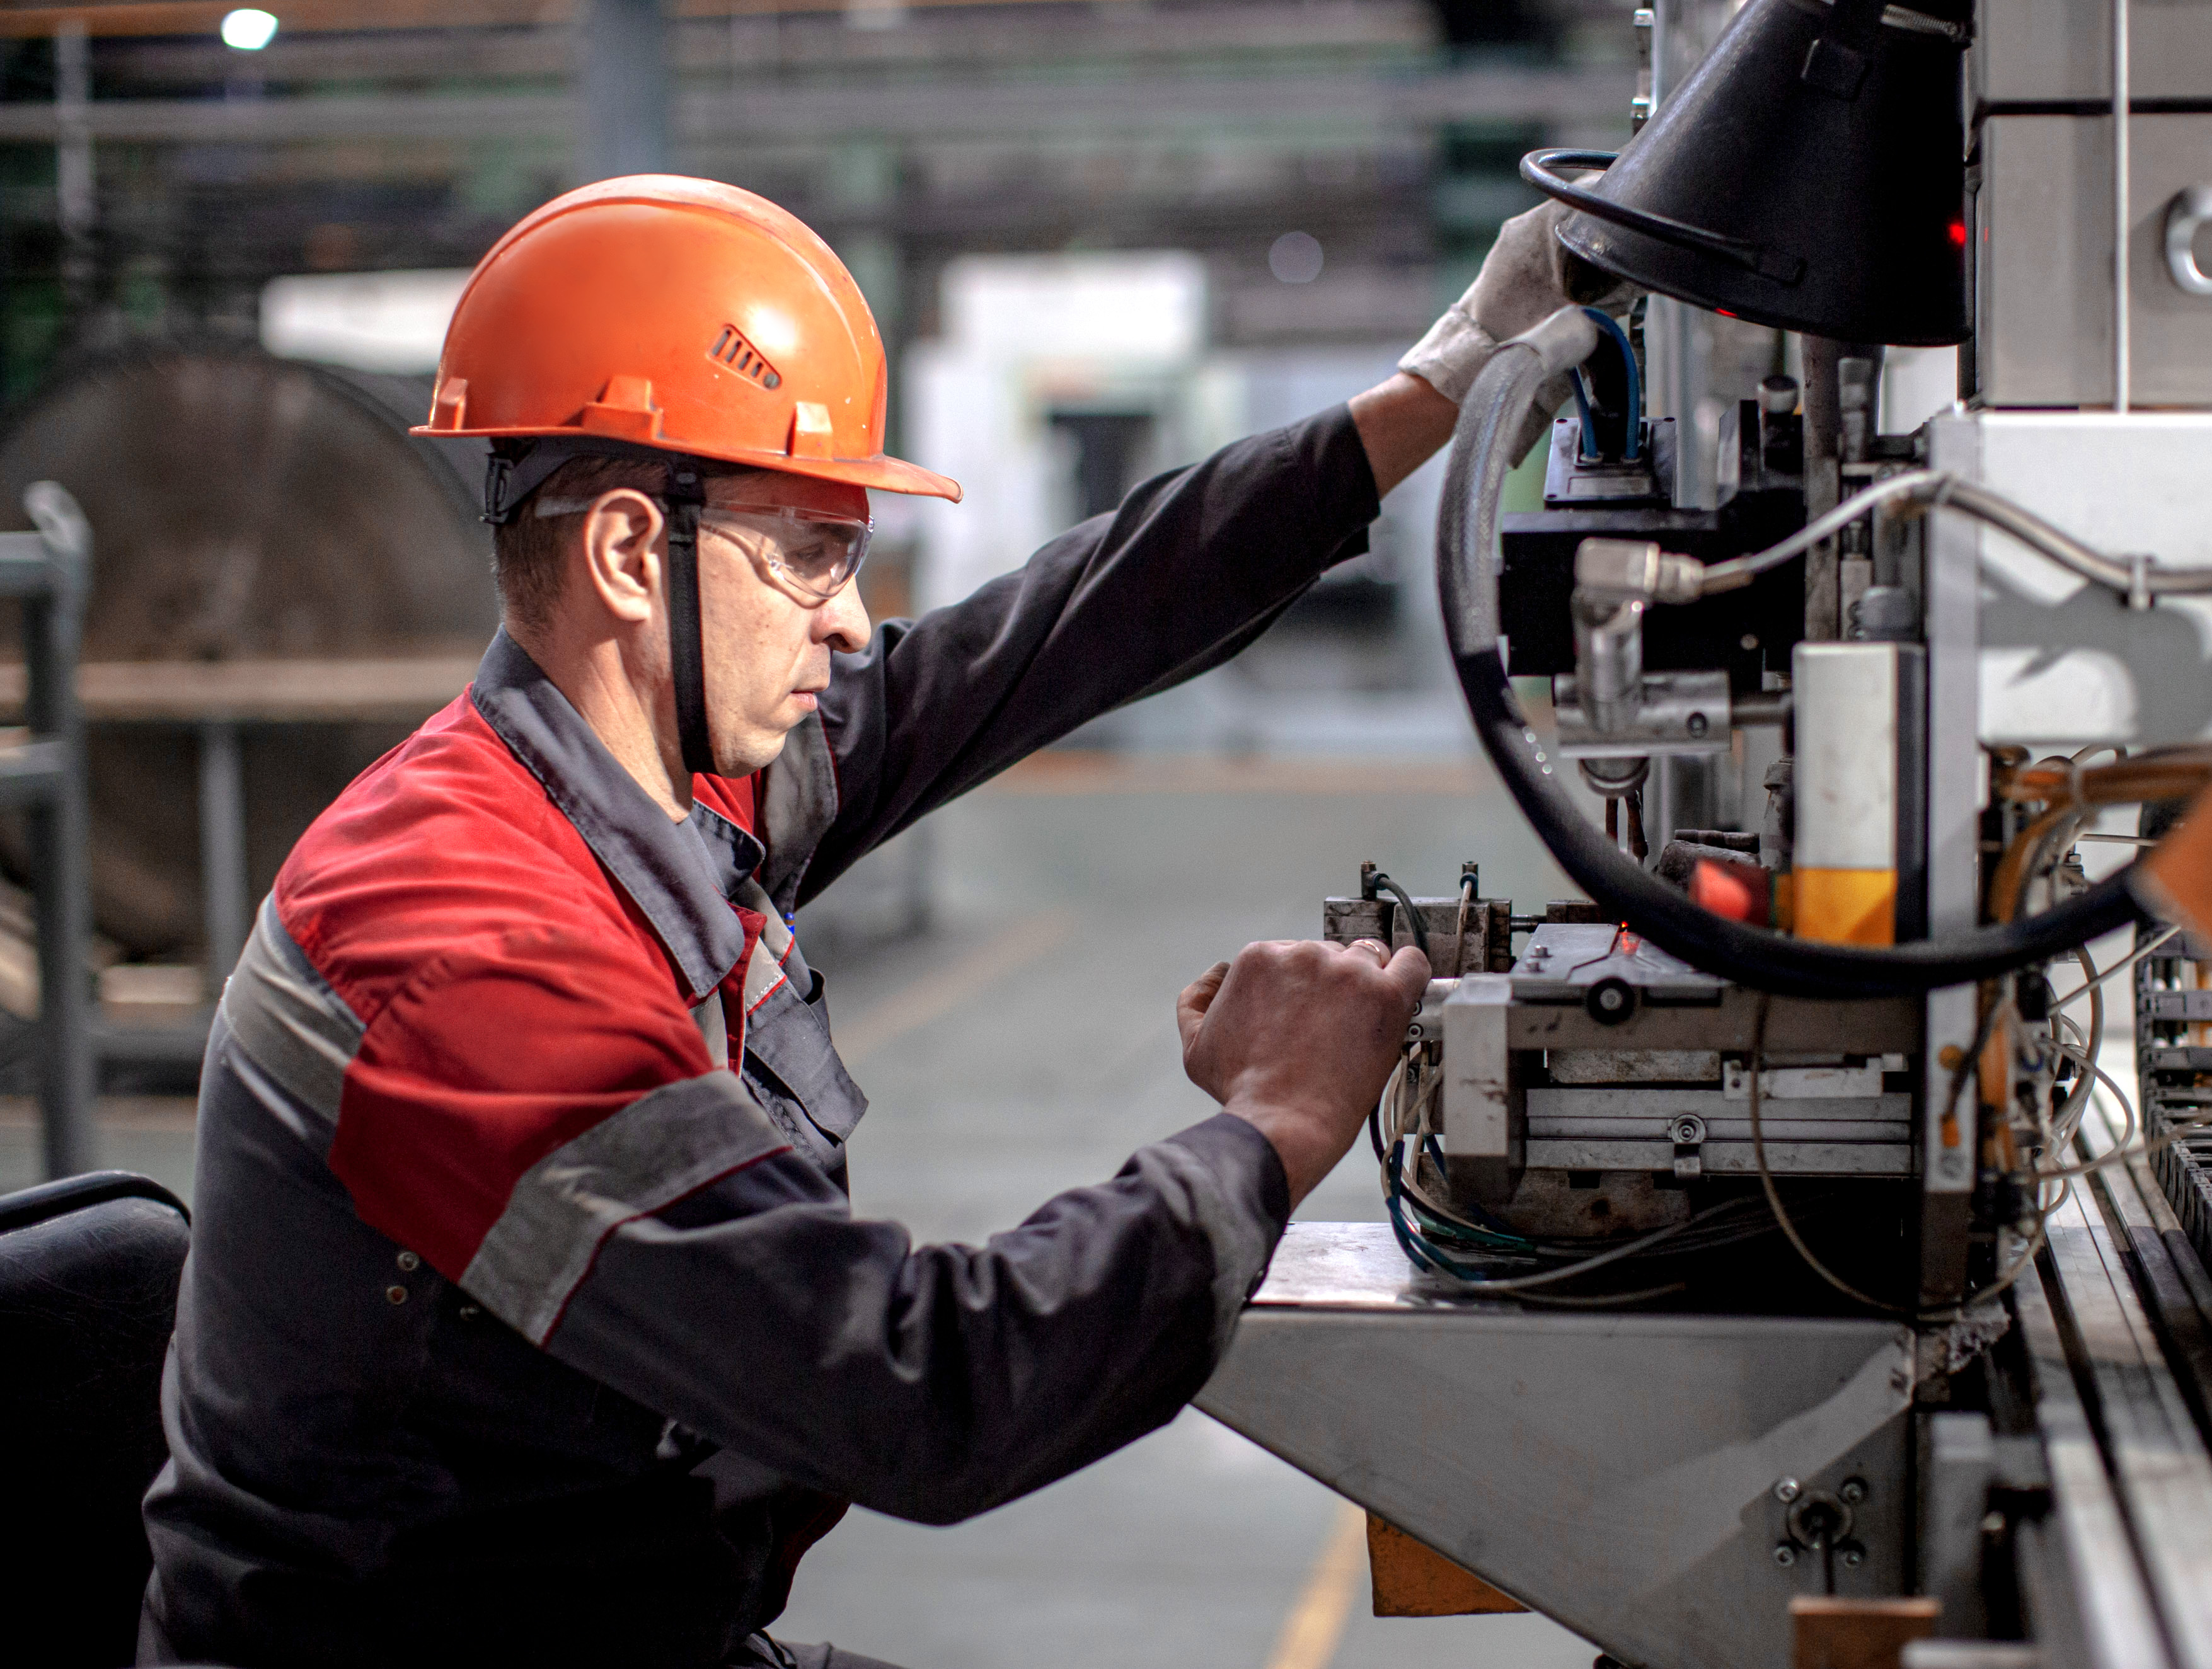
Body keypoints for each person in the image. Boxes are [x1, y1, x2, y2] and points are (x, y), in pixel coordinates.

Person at [137, 176, 1614, 1668]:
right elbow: (918, 1389)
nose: (850, 620)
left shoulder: (649, 788)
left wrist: (1446, 377)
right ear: (632, 554)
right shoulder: (461, 943)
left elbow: (1050, 632)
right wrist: (1275, 1119)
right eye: (811, 550)